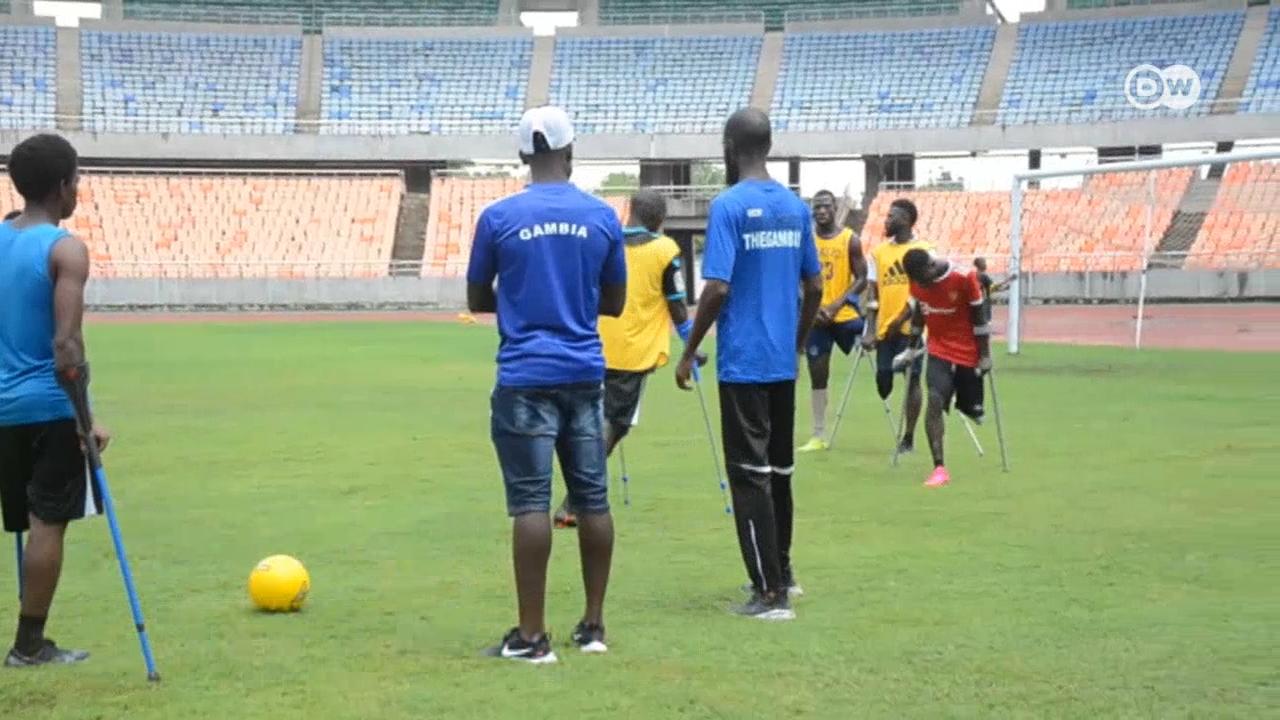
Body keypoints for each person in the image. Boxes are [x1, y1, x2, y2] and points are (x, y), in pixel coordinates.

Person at [466, 106, 626, 663]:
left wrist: (518, 301)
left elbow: (476, 298)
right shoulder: (603, 216)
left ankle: (532, 637)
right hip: (584, 371)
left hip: (525, 376)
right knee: (592, 499)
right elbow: (615, 302)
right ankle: (594, 625)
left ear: (522, 156)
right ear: (571, 152)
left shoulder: (498, 217)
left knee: (531, 503)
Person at [675, 108, 822, 620]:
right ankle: (785, 573)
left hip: (743, 363)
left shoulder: (728, 206)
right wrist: (798, 344)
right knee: (779, 471)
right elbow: (816, 285)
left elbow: (716, 286)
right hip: (782, 361)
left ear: (729, 146)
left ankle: (769, 594)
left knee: (750, 475)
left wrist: (690, 349)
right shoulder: (795, 206)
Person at [1, 133, 109, 667]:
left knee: (24, 521)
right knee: (47, 524)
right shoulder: (66, 248)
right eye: (78, 182)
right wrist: (85, 423)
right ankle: (29, 645)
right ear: (64, 185)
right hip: (45, 406)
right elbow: (66, 346)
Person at [552, 189, 704, 529]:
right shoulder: (665, 250)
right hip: (633, 353)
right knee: (615, 424)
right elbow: (677, 303)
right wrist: (690, 345)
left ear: (630, 211)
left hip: (594, 343)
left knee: (597, 420)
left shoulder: (605, 241)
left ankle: (577, 492)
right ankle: (573, 501)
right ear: (661, 219)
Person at [897, 249, 991, 488]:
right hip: (938, 348)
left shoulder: (963, 277)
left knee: (972, 408)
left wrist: (985, 356)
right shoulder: (918, 281)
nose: (921, 284)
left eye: (923, 277)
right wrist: (910, 349)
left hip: (967, 350)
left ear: (931, 265)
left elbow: (980, 318)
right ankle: (939, 467)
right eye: (916, 279)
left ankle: (973, 406)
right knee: (935, 400)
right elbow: (919, 315)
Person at [797, 190, 867, 452]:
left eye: (826, 206)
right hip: (816, 318)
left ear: (835, 207)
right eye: (816, 208)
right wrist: (813, 307)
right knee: (818, 375)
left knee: (874, 343)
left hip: (844, 316)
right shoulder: (806, 239)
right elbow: (796, 277)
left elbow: (860, 278)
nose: (821, 211)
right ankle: (818, 433)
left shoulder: (850, 239)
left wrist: (837, 304)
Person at [860, 198, 930, 455]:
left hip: (911, 329)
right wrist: (869, 330)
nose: (887, 221)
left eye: (892, 216)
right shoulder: (878, 253)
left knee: (912, 381)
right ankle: (886, 379)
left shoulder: (923, 250)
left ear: (906, 220)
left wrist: (901, 318)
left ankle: (908, 438)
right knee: (883, 383)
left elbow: (925, 289)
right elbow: (872, 293)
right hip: (883, 331)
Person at [972, 257, 1016, 324]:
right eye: (984, 262)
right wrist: (1008, 280)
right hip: (984, 302)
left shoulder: (974, 275)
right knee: (985, 322)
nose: (985, 264)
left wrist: (1005, 288)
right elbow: (994, 287)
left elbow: (991, 289)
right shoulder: (983, 276)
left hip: (978, 301)